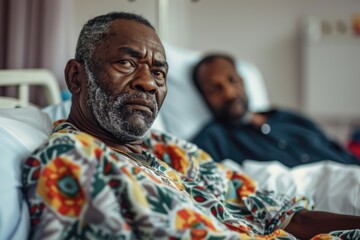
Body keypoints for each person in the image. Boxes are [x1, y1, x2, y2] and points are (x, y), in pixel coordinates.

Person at [22, 12, 360, 240]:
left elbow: (291, 218)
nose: (148, 83)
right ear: (76, 77)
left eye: (158, 72)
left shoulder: (173, 150)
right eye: (126, 63)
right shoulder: (72, 162)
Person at [191, 54, 360, 168]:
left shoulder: (290, 118)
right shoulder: (212, 140)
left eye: (232, 80)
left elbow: (337, 150)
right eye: (215, 89)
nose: (229, 93)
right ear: (204, 97)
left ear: (242, 81)